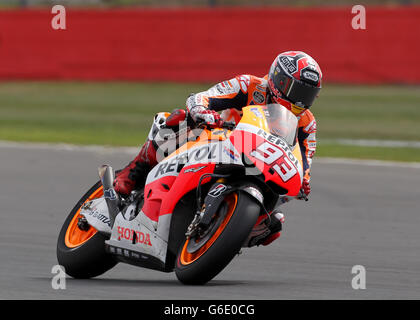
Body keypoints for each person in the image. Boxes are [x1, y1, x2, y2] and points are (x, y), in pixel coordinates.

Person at [114, 51, 322, 247]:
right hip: (218, 139)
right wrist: (201, 111)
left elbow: (304, 160)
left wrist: (303, 180)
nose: (301, 100)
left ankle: (226, 230)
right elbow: (203, 97)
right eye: (298, 90)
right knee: (176, 120)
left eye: (309, 94)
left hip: (260, 163)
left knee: (274, 223)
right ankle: (133, 172)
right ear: (279, 80)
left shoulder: (307, 123)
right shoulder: (249, 85)